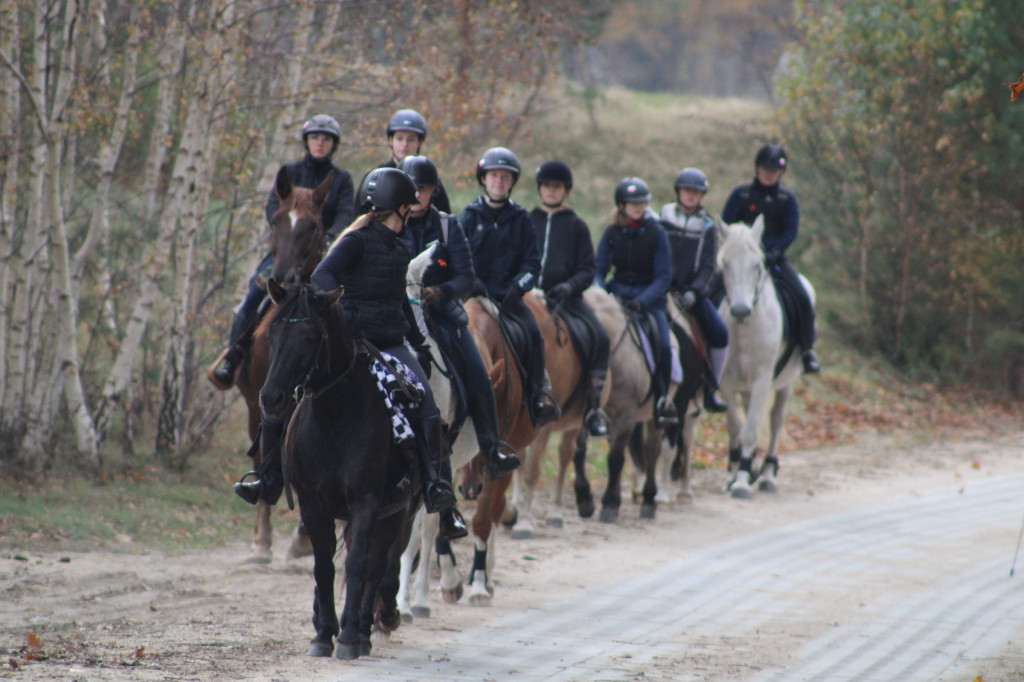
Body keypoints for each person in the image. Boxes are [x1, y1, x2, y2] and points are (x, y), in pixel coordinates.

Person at [234, 167, 468, 540]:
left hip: (391, 343)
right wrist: (343, 312)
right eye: (409, 205)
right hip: (353, 338)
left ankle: (439, 490)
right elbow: (324, 277)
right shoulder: (354, 241)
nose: (412, 211)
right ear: (399, 207)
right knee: (283, 391)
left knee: (426, 402)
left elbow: (397, 299)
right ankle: (268, 477)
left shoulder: (401, 247)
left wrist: (418, 342)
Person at [398, 155, 521, 479]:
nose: (417, 196)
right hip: (393, 314)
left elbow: (466, 277)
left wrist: (440, 292)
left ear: (433, 191)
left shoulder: (448, 225)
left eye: (423, 190)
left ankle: (491, 447)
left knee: (479, 373)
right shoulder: (386, 223)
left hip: (440, 316)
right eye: (411, 189)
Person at [210, 114, 355, 389]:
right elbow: (271, 209)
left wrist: (332, 238)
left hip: (323, 254)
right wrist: (282, 235)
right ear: (306, 141)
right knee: (251, 298)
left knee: (344, 303)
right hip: (287, 252)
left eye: (326, 138)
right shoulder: (291, 173)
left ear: (334, 144)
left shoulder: (342, 181)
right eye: (315, 137)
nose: (320, 143)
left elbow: (347, 213)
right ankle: (233, 357)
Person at [460, 147, 561, 428]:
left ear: (512, 182)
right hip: (473, 296)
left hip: (509, 299)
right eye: (494, 176)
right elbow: (455, 256)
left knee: (533, 333)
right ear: (484, 179)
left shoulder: (521, 218)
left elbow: (533, 264)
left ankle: (538, 394)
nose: (499, 181)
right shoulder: (468, 216)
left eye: (505, 177)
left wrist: (518, 288)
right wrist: (470, 281)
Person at [529, 160, 611, 437]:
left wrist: (569, 286)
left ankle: (593, 409)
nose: (551, 191)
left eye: (557, 186)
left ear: (565, 190)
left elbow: (588, 269)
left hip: (566, 300)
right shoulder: (528, 220)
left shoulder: (576, 225)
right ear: (540, 189)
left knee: (600, 338)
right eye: (547, 186)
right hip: (527, 296)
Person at [721, 144, 820, 374]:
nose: (769, 173)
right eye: (766, 168)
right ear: (757, 168)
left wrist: (772, 253)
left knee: (802, 296)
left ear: (781, 173)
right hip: (740, 261)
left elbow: (791, 231)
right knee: (712, 292)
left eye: (775, 170)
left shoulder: (786, 199)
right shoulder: (741, 194)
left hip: (774, 260)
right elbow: (726, 223)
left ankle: (806, 349)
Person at [595, 177, 678, 427]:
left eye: (642, 203)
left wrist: (643, 301)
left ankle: (663, 400)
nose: (638, 207)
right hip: (617, 296)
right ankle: (592, 404)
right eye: (633, 203)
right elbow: (599, 269)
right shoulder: (612, 232)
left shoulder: (656, 232)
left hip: (649, 300)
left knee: (664, 346)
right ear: (622, 205)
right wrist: (602, 294)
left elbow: (664, 277)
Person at [660, 168, 729, 413]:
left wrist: (695, 291)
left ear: (702, 195)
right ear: (678, 191)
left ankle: (711, 389)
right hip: (661, 289)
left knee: (720, 333)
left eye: (696, 192)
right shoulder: (663, 216)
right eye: (687, 190)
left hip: (691, 293)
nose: (690, 196)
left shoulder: (709, 225)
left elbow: (709, 266)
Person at [355, 108, 451, 214]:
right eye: (399, 138)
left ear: (420, 142)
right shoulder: (375, 177)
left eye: (411, 139)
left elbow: (444, 218)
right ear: (391, 140)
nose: (404, 144)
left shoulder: (429, 178)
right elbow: (358, 217)